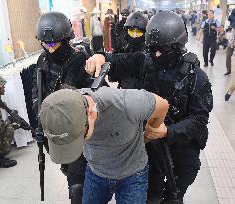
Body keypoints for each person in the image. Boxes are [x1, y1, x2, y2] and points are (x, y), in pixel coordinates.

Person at [85, 11, 213, 203]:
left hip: (180, 151)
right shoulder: (144, 61)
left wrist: (167, 131)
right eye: (152, 49)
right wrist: (100, 56)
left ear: (178, 46)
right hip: (150, 150)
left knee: (174, 198)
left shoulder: (196, 77)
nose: (155, 55)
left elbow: (199, 121)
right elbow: (118, 61)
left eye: (161, 50)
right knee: (150, 197)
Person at [40, 87, 169, 204]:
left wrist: (151, 129)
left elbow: (162, 105)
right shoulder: (61, 110)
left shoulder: (126, 103)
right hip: (96, 172)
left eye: (79, 137)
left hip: (133, 175)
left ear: (91, 114)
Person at [33, 11, 92, 204]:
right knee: (68, 169)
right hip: (54, 127)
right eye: (46, 44)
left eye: (54, 44)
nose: (50, 49)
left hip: (78, 129)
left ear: (66, 40)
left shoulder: (81, 60)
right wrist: (39, 120)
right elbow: (37, 92)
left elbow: (98, 96)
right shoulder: (42, 61)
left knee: (78, 185)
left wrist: (78, 95)